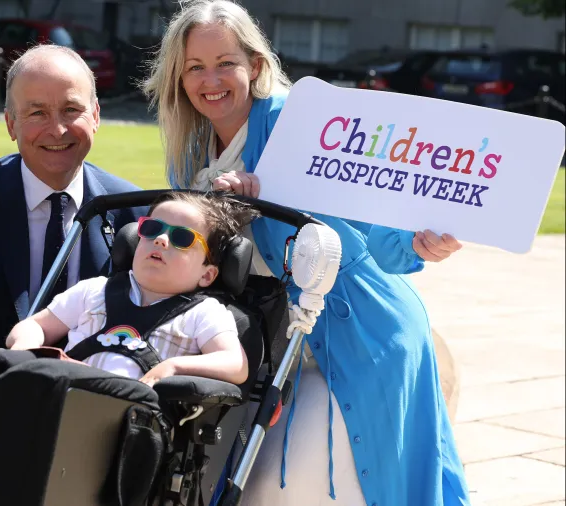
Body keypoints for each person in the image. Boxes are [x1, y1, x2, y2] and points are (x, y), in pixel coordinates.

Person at [142, 2, 470, 506]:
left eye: (225, 62)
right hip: (269, 343)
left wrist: (414, 241)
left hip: (359, 331)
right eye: (195, 67)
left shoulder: (299, 120)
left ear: (254, 65)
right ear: (178, 78)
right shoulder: (191, 148)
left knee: (336, 488)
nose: (212, 80)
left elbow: (373, 211)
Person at [0, 44, 144, 349]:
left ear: (95, 116)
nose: (57, 129)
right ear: (10, 124)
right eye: (37, 113)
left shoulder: (134, 210)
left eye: (71, 110)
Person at [6, 192, 256, 386]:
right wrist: (23, 350)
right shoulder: (94, 291)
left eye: (182, 238)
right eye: (151, 229)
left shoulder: (203, 313)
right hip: (61, 392)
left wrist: (174, 367)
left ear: (207, 274)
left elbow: (235, 364)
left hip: (132, 416)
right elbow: (36, 325)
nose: (161, 240)